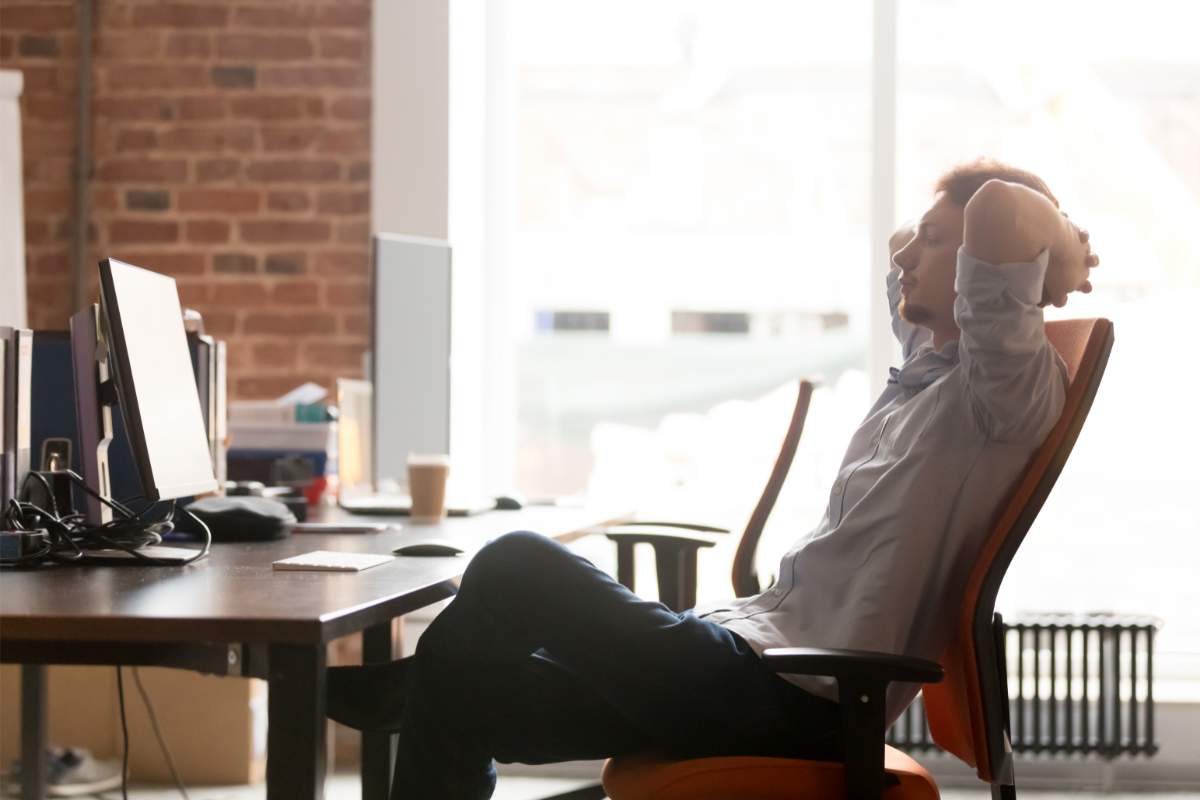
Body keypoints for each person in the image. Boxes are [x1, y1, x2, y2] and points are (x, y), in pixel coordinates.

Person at [327, 158, 1099, 798]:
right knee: (458, 692)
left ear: (984, 277)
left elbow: (998, 207)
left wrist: (1059, 243)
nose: (903, 258)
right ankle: (427, 679)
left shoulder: (1000, 394)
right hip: (751, 662)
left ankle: (417, 676)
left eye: (935, 244)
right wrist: (938, 229)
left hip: (800, 703)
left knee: (514, 562)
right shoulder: (933, 371)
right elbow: (918, 238)